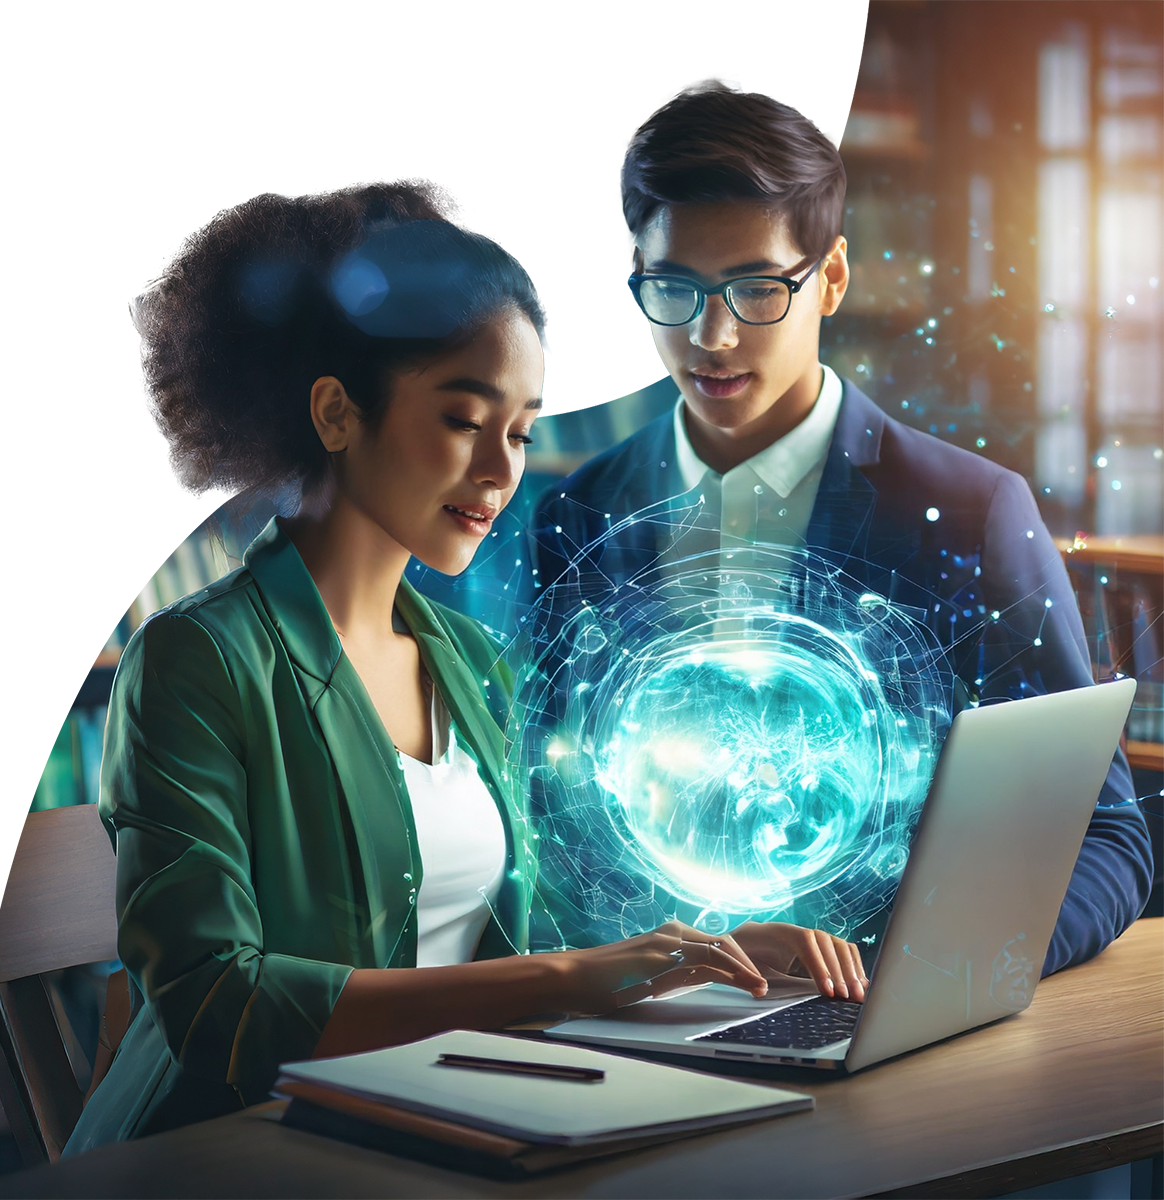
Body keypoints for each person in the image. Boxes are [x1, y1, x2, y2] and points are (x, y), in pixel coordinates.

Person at [63, 181, 867, 1154]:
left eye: (521, 432)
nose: (500, 469)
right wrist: (573, 983)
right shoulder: (198, 662)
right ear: (333, 412)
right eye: (462, 418)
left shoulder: (470, 664)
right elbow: (214, 1003)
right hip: (226, 1154)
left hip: (425, 1131)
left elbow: (504, 941)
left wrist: (707, 952)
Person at [529, 80, 1153, 975]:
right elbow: (550, 818)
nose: (711, 336)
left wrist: (929, 976)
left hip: (879, 1028)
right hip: (632, 1019)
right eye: (674, 287)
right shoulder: (579, 515)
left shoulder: (971, 513)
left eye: (754, 289)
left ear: (831, 279)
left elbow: (1104, 835)